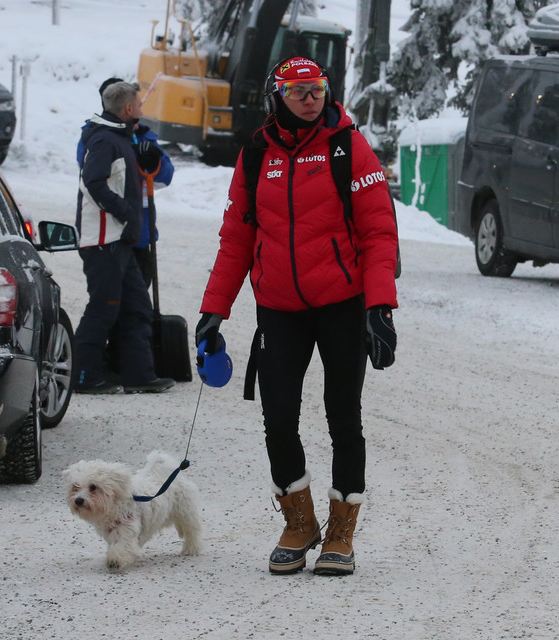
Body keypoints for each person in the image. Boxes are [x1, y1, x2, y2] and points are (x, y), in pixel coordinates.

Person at [195, 56, 398, 576]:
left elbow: (378, 231)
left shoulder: (346, 146)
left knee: (342, 414)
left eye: (318, 89)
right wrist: (214, 310)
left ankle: (343, 531)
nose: (311, 98)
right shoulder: (257, 152)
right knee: (278, 418)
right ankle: (299, 521)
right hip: (279, 310)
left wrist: (379, 307)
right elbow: (237, 237)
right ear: (277, 95)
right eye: (299, 90)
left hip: (341, 306)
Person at [74, 81, 175, 395]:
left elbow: (162, 173)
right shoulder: (104, 138)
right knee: (104, 308)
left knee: (136, 307)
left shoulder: (122, 138)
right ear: (129, 109)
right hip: (104, 240)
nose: (143, 111)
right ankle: (83, 376)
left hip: (122, 239)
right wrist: (125, 211)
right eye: (139, 106)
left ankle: (139, 375)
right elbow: (92, 180)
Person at [77, 77, 175, 288]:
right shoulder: (97, 137)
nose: (140, 111)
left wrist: (150, 161)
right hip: (111, 233)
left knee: (136, 302)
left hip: (140, 233)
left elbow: (165, 176)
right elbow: (92, 177)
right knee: (111, 303)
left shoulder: (145, 137)